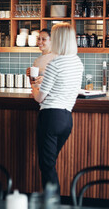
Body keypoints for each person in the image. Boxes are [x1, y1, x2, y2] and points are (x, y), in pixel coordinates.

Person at [31, 23, 83, 193]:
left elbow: (40, 98)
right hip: (67, 119)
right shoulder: (77, 63)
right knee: (50, 163)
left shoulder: (55, 64)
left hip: (50, 117)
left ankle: (53, 204)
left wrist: (34, 88)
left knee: (47, 167)